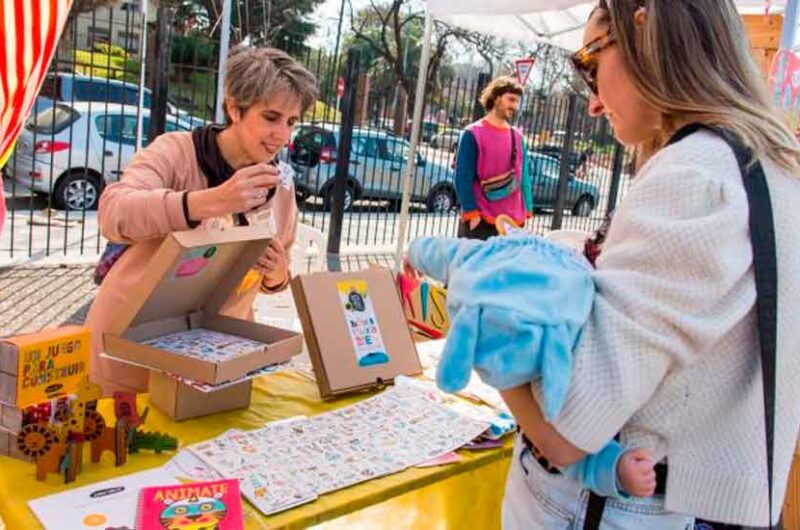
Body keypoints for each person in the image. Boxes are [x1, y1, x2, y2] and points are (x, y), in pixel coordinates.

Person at [497, 0, 800, 528]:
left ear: (645, 32)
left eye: (589, 61)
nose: (592, 102)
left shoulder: (695, 174)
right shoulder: (773, 168)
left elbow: (568, 424)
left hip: (619, 505)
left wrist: (492, 321)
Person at [85, 46, 318, 395]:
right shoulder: (176, 152)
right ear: (234, 108)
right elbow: (114, 212)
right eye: (270, 117)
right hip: (131, 351)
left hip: (216, 363)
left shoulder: (279, 186)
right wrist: (211, 201)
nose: (282, 135)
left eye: (291, 122)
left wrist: (277, 270)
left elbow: (277, 277)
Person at [404, 233, 657, 500]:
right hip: (539, 472)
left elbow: (562, 445)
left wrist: (613, 467)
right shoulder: (575, 296)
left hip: (561, 468)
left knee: (567, 425)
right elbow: (439, 252)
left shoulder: (482, 257)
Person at [454, 76, 533, 240]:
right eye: (511, 99)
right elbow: (462, 177)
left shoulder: (518, 137)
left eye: (517, 101)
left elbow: (523, 175)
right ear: (496, 97)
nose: (514, 106)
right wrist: (471, 213)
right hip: (481, 220)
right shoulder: (473, 133)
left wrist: (528, 211)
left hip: (513, 224)